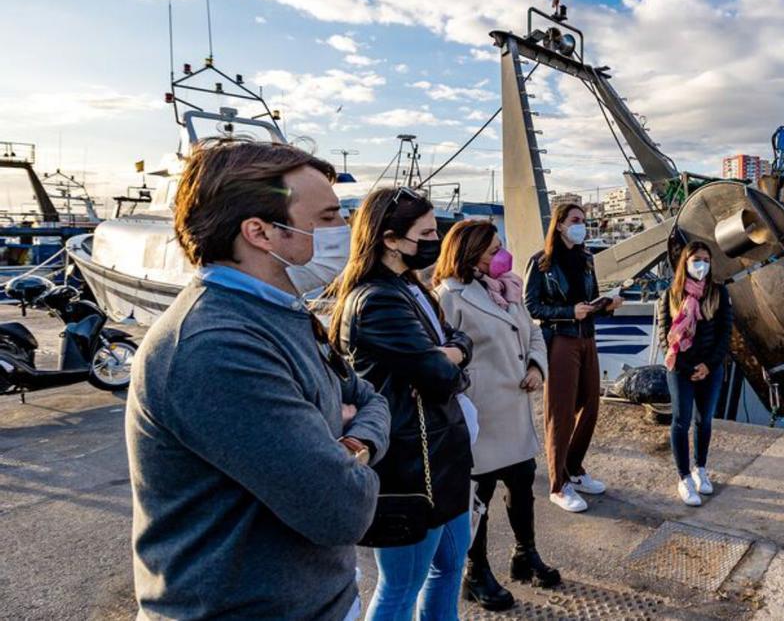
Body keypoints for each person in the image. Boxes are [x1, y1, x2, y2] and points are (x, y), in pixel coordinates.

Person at [126, 139, 390, 620]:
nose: (347, 230)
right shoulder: (215, 344)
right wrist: (343, 448)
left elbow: (370, 400)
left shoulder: (282, 313)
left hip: (318, 600)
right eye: (329, 218)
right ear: (261, 232)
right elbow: (340, 509)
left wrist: (349, 447)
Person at [330, 187, 475, 621]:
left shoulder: (410, 288)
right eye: (427, 231)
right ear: (391, 239)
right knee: (400, 586)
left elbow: (456, 340)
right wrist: (454, 357)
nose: (436, 239)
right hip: (410, 467)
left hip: (441, 459)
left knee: (448, 567)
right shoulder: (377, 300)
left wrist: (453, 351)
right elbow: (440, 374)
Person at [433, 220, 562, 612]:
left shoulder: (509, 290)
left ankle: (526, 554)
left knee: (522, 485)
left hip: (515, 410)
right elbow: (439, 358)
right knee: (479, 497)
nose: (501, 256)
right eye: (493, 251)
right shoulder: (448, 297)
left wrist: (538, 367)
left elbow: (533, 333)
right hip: (481, 415)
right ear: (470, 254)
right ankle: (476, 572)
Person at [523, 202, 623, 513]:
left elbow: (588, 300)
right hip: (562, 341)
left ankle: (574, 468)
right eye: (576, 220)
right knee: (561, 411)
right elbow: (532, 307)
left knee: (590, 406)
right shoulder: (541, 262)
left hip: (587, 338)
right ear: (561, 225)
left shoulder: (586, 259)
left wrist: (606, 305)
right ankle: (558, 484)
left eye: (584, 219)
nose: (582, 224)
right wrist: (569, 313)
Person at [655, 240, 732, 507]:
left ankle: (700, 468)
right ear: (685, 263)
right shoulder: (671, 295)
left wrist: (708, 366)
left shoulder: (718, 294)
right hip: (680, 367)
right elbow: (666, 337)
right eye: (696, 259)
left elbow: (725, 335)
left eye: (706, 260)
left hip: (709, 368)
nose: (702, 265)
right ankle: (684, 477)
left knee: (705, 420)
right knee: (681, 419)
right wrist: (686, 367)